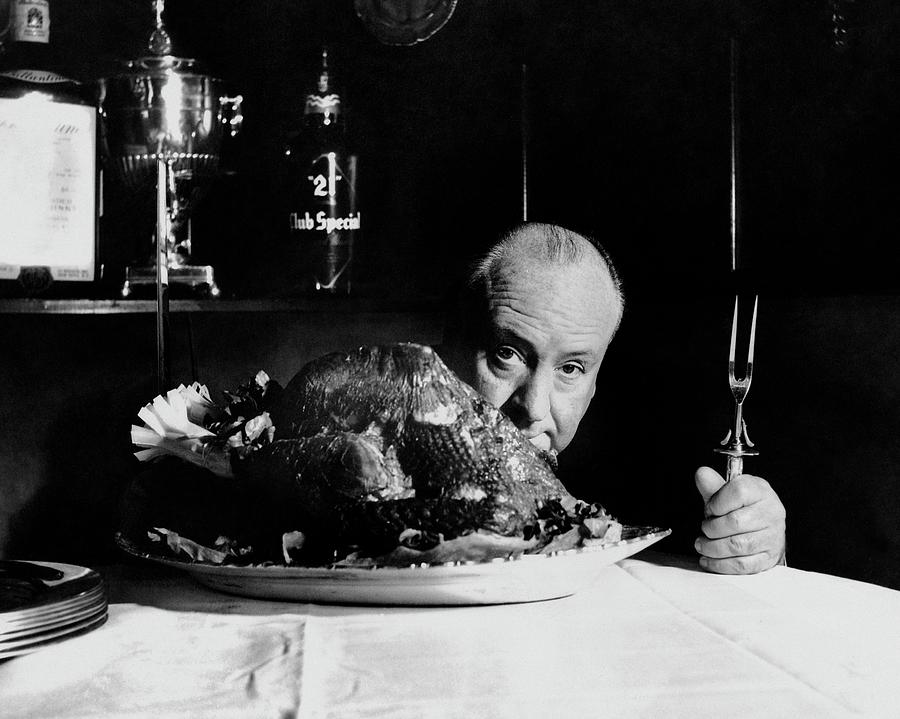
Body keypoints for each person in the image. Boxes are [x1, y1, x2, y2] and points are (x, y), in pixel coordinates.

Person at [440, 221, 787, 574]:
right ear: (448, 351)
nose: (534, 408)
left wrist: (757, 542)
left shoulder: (629, 500)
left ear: (594, 384)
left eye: (571, 369)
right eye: (507, 354)